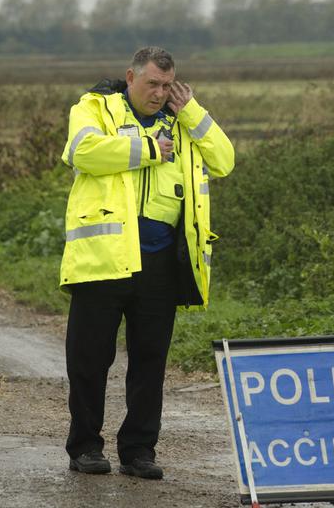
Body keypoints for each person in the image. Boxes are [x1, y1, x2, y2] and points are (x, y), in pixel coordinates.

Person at [58, 46, 234, 479]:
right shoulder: (95, 107)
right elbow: (84, 152)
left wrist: (192, 110)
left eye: (166, 85)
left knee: (150, 361)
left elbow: (224, 160)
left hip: (160, 263)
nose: (159, 93)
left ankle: (138, 450)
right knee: (89, 360)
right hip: (104, 258)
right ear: (130, 77)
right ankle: (85, 447)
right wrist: (150, 150)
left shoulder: (182, 120)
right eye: (152, 83)